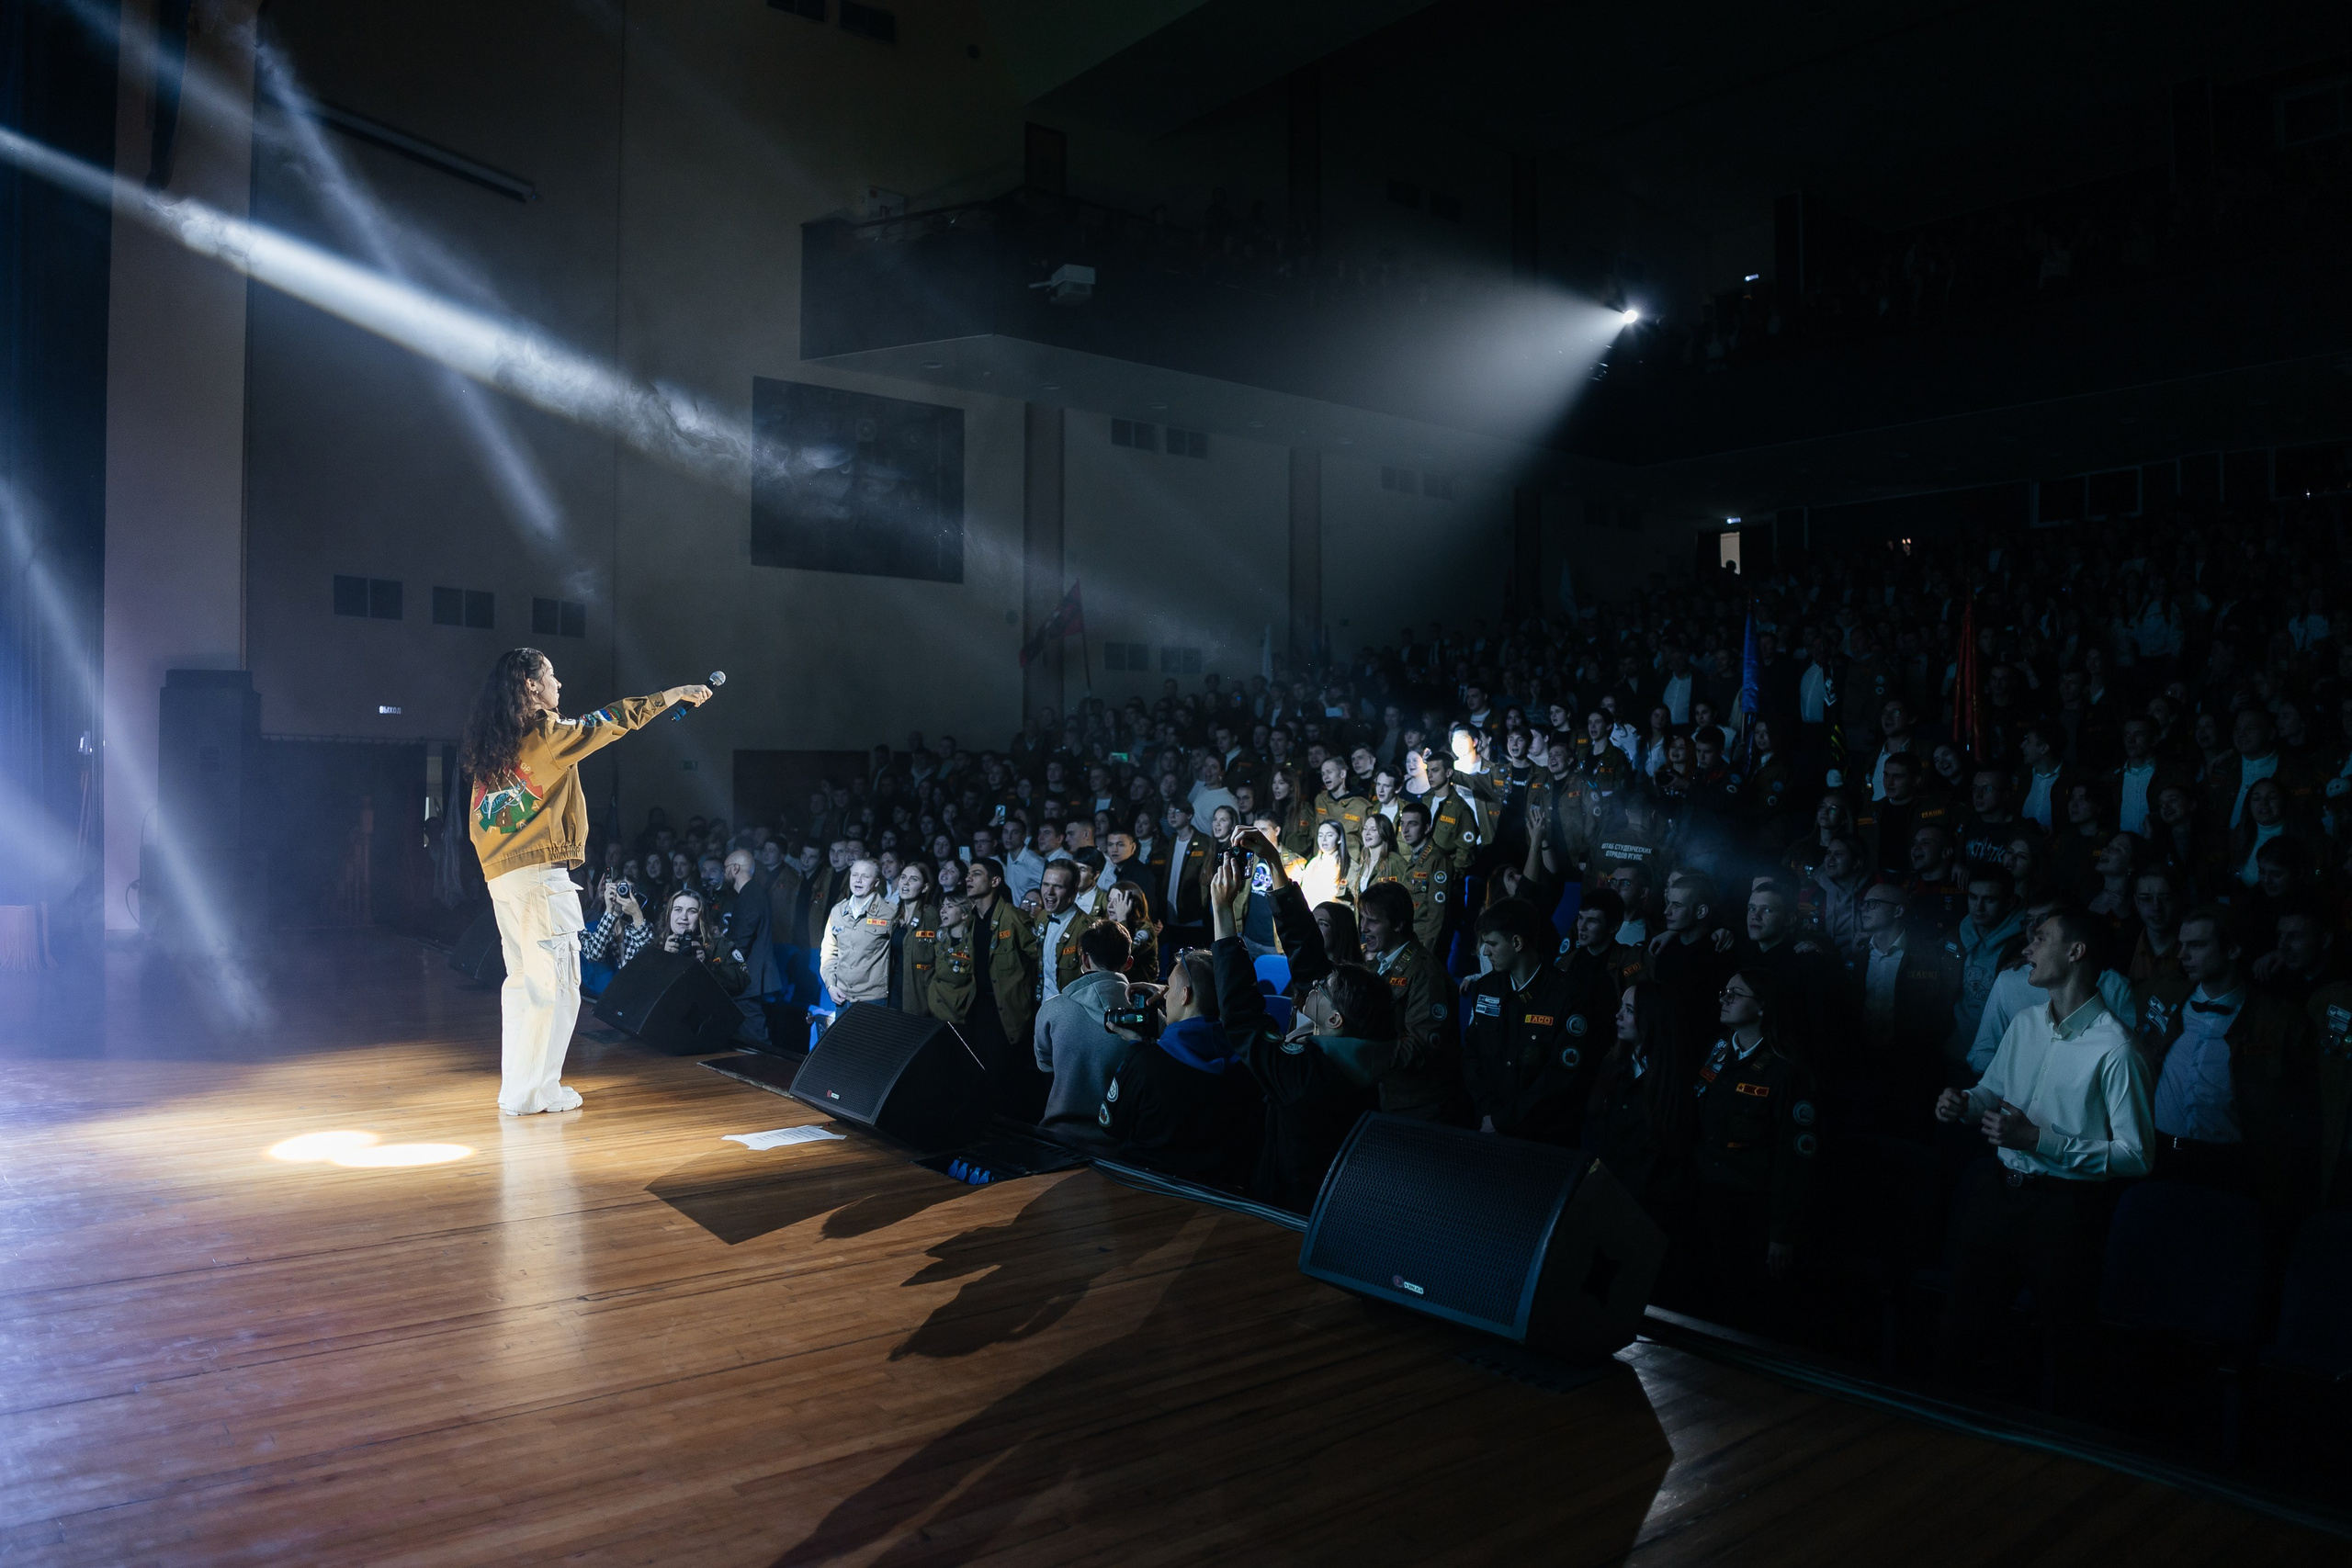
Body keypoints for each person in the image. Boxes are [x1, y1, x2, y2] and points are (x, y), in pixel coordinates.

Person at [460, 648, 710, 1115]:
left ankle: (519, 1090)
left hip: (503, 881)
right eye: (552, 676)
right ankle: (540, 1091)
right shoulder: (546, 735)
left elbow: (479, 825)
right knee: (558, 987)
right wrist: (670, 695)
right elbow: (610, 721)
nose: (560, 684)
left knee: (523, 987)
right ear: (532, 687)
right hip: (539, 880)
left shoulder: (494, 748)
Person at [1935, 907, 2151, 1401]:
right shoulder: (2027, 1023)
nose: (2027, 949)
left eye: (2040, 940)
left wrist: (2038, 1141)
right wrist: (1965, 1105)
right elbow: (1992, 1092)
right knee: (1960, 1332)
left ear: (2076, 953)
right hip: (1999, 1194)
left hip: (2065, 1210)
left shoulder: (2116, 1049)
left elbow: (2137, 1156)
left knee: (2066, 1350)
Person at [2129, 906, 2311, 1203]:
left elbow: (2295, 1105)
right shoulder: (2164, 996)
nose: (2182, 954)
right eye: (2181, 944)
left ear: (2233, 949)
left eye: (2197, 945)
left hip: (2229, 1163)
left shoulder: (2276, 1020)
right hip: (2160, 1152)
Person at [1684, 968, 1819, 1299]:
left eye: (1736, 993)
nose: (1725, 998)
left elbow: (1793, 1159)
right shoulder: (1717, 1049)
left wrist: (1781, 1233)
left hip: (1747, 1207)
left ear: (1762, 1006)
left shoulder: (1786, 1071)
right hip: (1701, 1192)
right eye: (1724, 992)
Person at [1460, 897, 1594, 1145]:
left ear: (1517, 942)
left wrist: (1504, 1120)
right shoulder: (1486, 988)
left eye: (1491, 943)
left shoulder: (1567, 996)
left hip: (1544, 1136)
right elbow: (1472, 1055)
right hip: (1489, 1127)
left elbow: (1560, 1077)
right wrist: (1490, 1114)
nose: (1485, 951)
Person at [1586, 982, 1695, 1221]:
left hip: (1650, 1207)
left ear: (1652, 1018)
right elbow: (1594, 1126)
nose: (1618, 1016)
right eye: (1621, 1007)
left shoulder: (1677, 1078)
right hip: (1605, 1194)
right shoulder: (1612, 1065)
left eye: (1630, 1010)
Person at [1032, 919, 1136, 1145]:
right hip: (1120, 1145)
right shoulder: (1148, 1018)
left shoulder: (1052, 1010)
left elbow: (1046, 1064)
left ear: (1085, 960)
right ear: (1128, 963)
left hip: (1058, 1137)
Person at [1032, 859, 1095, 1004]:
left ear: (1073, 890)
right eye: (1045, 884)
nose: (1049, 892)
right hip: (1044, 1007)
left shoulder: (1086, 929)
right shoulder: (1042, 918)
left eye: (1057, 886)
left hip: (1071, 1012)